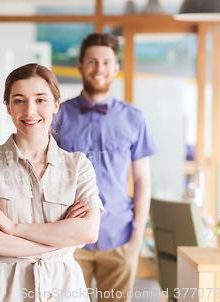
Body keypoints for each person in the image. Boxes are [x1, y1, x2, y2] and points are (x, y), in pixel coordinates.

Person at [0, 63, 104, 302]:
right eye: (19, 100)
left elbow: (88, 231)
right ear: (7, 107)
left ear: (56, 104)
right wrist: (59, 241)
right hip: (5, 288)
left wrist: (12, 228)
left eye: (40, 100)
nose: (30, 111)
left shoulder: (78, 166)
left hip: (63, 288)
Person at [51, 33, 159, 302]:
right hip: (69, 237)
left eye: (106, 62)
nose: (99, 68)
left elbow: (143, 180)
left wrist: (137, 236)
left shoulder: (134, 118)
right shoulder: (57, 116)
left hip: (120, 234)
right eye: (92, 61)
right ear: (80, 66)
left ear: (115, 69)